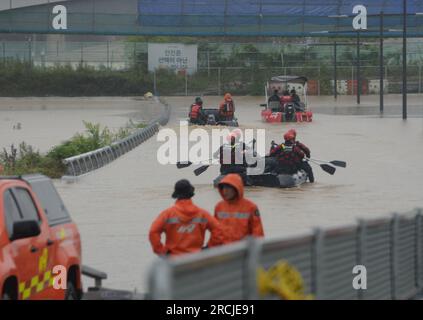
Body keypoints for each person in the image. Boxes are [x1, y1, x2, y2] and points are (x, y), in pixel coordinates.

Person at [149, 179, 224, 256]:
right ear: (191, 193)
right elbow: (218, 231)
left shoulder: (168, 214)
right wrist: (208, 248)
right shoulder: (202, 214)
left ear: (176, 194)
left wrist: (162, 251)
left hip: (174, 260)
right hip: (196, 259)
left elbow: (153, 232)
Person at [208, 174, 264, 247]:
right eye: (223, 188)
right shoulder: (219, 206)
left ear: (236, 188)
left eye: (228, 188)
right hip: (223, 249)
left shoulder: (251, 207)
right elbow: (216, 231)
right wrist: (209, 246)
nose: (225, 191)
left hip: (242, 250)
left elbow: (258, 233)